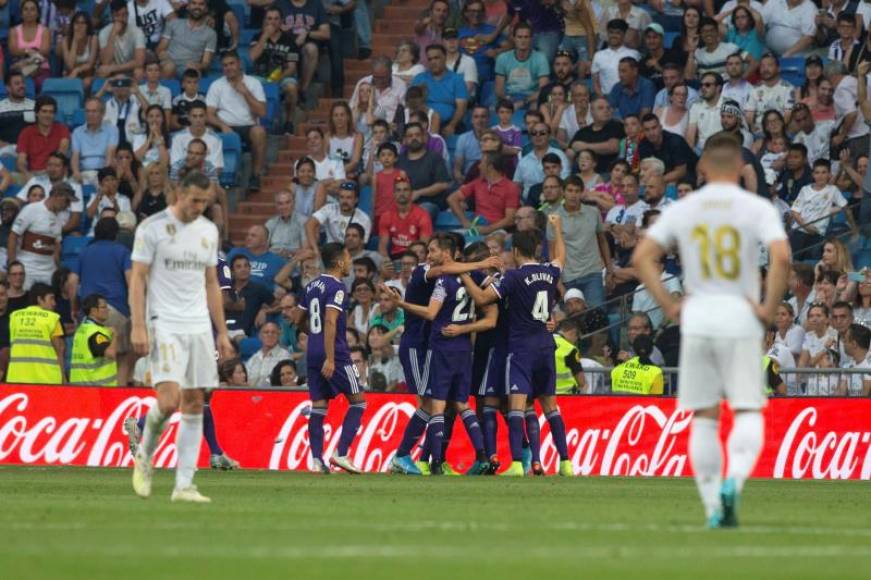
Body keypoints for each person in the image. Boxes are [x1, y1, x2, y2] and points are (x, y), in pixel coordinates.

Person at [632, 132, 790, 528]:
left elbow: (642, 256)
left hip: (699, 317)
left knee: (704, 416)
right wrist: (767, 309)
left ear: (702, 167)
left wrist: (669, 305)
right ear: (740, 167)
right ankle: (734, 480)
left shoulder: (685, 208)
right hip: (740, 316)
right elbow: (782, 257)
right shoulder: (756, 207)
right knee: (747, 408)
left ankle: (712, 507)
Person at [129, 171, 234, 503]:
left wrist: (222, 331)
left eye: (205, 201)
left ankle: (184, 485)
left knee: (194, 402)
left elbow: (211, 282)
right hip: (164, 322)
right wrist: (138, 325)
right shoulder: (152, 228)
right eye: (194, 200)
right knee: (168, 401)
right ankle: (144, 455)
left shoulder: (208, 231)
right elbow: (138, 278)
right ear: (178, 194)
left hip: (198, 325)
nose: (199, 207)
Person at [458, 216, 572, 477]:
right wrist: (557, 228)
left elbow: (483, 298)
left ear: (517, 251)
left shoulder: (514, 277)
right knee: (550, 407)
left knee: (517, 407)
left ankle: (518, 464)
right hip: (546, 346)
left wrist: (463, 274)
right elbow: (561, 257)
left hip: (521, 348)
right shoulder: (550, 272)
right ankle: (566, 463)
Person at [385, 234, 491, 476]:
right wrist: (481, 265)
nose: (427, 256)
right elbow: (451, 271)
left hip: (433, 345)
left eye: (432, 250)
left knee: (437, 403)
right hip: (416, 345)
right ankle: (405, 456)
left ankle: (425, 459)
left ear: (446, 252)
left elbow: (460, 275)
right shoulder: (424, 271)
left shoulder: (450, 276)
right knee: (431, 403)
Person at [291, 242, 367, 474]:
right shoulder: (338, 287)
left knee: (319, 405)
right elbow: (331, 321)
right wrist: (331, 358)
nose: (350, 263)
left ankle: (317, 460)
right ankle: (341, 453)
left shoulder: (311, 285)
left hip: (312, 351)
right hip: (335, 352)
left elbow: (297, 318)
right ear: (340, 262)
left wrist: (313, 336)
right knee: (358, 401)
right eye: (348, 258)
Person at [77, 217, 134, 385]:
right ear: (116, 234)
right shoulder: (122, 251)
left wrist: (75, 308)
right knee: (122, 356)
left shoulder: (85, 252)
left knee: (93, 355)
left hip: (89, 310)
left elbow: (72, 282)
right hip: (116, 309)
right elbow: (131, 281)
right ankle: (119, 394)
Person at [206, 50, 267, 190]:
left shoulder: (253, 83)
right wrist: (223, 126)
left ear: (239, 64)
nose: (228, 67)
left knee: (259, 132)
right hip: (224, 125)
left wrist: (245, 93)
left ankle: (255, 176)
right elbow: (209, 114)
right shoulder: (216, 85)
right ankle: (210, 177)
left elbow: (262, 112)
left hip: (248, 126)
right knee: (207, 130)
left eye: (231, 63)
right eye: (225, 65)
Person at [547, 176, 611, 308]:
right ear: (563, 192)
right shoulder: (554, 218)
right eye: (570, 190)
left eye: (577, 191)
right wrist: (559, 285)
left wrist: (609, 270)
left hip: (593, 273)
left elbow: (603, 241)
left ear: (582, 193)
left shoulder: (593, 212)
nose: (573, 195)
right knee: (574, 319)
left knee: (597, 316)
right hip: (568, 278)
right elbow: (552, 254)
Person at [8, 183, 76, 289]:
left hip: (49, 271)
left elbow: (56, 247)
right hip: (28, 268)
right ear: (57, 195)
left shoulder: (59, 218)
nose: (68, 205)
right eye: (67, 201)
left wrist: (58, 269)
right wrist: (12, 265)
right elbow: (13, 236)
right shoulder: (32, 209)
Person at [447, 152, 519, 235]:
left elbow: (510, 219)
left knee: (495, 239)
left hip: (497, 230)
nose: (479, 166)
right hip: (476, 227)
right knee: (450, 237)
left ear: (490, 167)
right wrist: (465, 222)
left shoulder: (510, 187)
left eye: (481, 163)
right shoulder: (477, 183)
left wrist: (488, 229)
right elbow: (452, 199)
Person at [6, 282, 64, 384]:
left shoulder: (14, 317)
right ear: (39, 299)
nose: (54, 303)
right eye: (51, 298)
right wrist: (63, 378)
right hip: (47, 380)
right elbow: (59, 351)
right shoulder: (52, 318)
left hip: (17, 378)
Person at [410, 44, 469, 138]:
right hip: (422, 124)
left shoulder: (457, 80)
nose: (433, 62)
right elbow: (411, 104)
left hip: (448, 124)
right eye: (430, 59)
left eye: (436, 58)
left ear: (445, 58)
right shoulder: (419, 79)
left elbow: (461, 107)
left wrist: (452, 125)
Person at [155, 0, 216, 78]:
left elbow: (206, 62)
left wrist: (198, 66)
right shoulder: (174, 23)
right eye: (194, 3)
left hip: (188, 66)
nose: (197, 6)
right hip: (169, 62)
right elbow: (160, 48)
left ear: (206, 9)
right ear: (188, 6)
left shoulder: (211, 34)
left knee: (194, 73)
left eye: (201, 4)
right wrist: (164, 57)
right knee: (169, 67)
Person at [378, 176, 433, 260]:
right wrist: (386, 262)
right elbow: (382, 247)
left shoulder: (422, 215)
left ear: (411, 193)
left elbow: (424, 247)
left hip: (415, 257)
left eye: (405, 190)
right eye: (398, 190)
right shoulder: (386, 216)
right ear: (394, 194)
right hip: (396, 258)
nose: (402, 193)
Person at [16, 96, 70, 178]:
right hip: (33, 174)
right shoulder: (26, 132)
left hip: (55, 173)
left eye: (51, 112)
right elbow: (21, 160)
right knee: (11, 177)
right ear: (36, 113)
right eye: (44, 111)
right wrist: (27, 174)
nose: (47, 115)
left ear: (54, 114)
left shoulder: (62, 129)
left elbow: (61, 155)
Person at [69, 293, 117, 385]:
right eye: (104, 307)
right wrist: (115, 336)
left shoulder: (82, 328)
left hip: (80, 386)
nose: (108, 310)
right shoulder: (95, 333)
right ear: (93, 311)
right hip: (96, 388)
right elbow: (111, 353)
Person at [98, 0, 146, 80]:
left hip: (130, 69)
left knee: (139, 72)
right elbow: (105, 62)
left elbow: (139, 61)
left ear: (128, 14)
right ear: (112, 16)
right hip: (112, 72)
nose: (121, 19)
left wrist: (114, 68)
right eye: (117, 15)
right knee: (102, 71)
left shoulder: (137, 32)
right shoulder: (104, 33)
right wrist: (113, 34)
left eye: (124, 15)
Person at [245, 321, 292, 387]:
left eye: (273, 332)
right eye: (266, 332)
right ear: (260, 336)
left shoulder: (285, 356)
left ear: (279, 336)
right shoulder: (254, 358)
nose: (270, 335)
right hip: (251, 392)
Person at [554, 318, 586, 395]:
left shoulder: (542, 341)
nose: (576, 341)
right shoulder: (570, 349)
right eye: (577, 337)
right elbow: (581, 382)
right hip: (565, 396)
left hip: (541, 396)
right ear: (572, 332)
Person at [840, 323, 871, 396]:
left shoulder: (869, 365)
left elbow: (865, 396)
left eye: (845, 340)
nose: (843, 343)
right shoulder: (847, 366)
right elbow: (841, 394)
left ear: (854, 344)